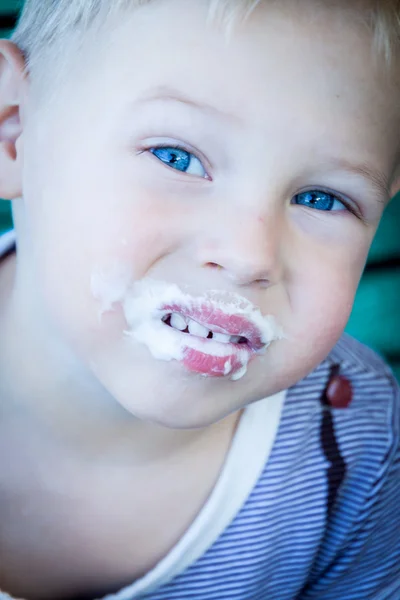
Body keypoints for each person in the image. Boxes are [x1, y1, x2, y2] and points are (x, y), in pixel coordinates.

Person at [0, 0, 399, 598]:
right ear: (13, 129)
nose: (248, 255)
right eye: (176, 157)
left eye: (321, 199)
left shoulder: (359, 448)